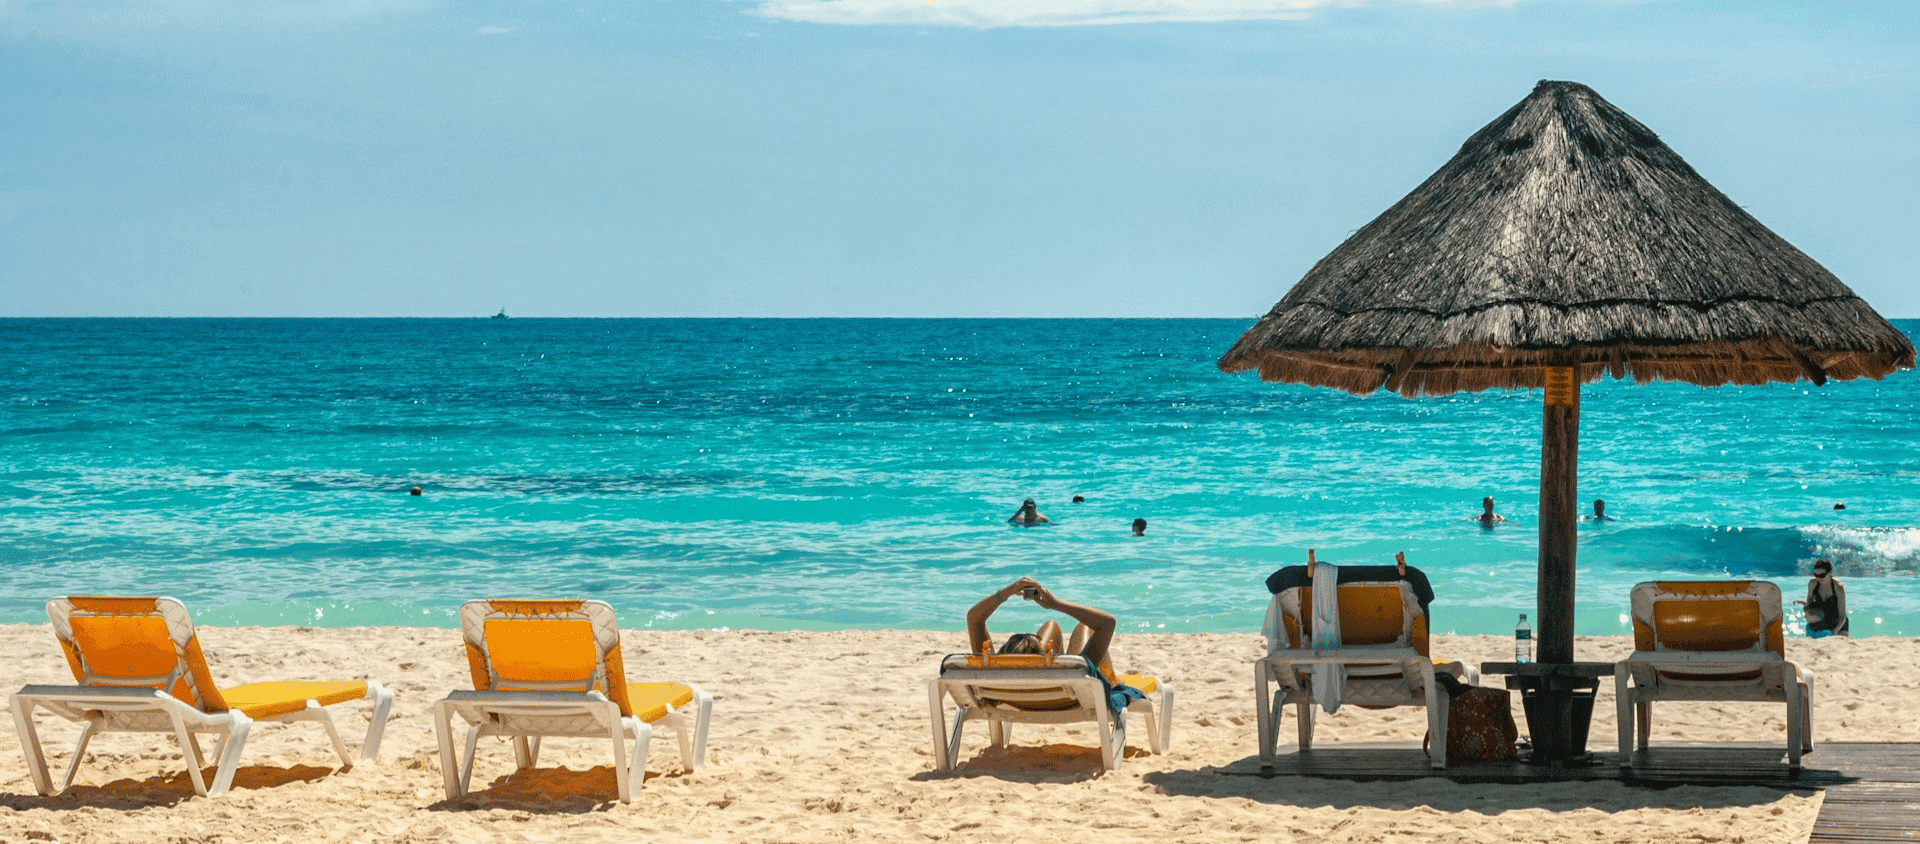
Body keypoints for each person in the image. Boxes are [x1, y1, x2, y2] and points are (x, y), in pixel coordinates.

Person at [1799, 559, 1850, 638]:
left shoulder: (1837, 587)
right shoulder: (1813, 584)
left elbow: (1842, 615)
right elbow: (1810, 607)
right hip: (1821, 621)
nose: (1818, 578)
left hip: (1838, 623)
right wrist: (1805, 603)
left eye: (1822, 576)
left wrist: (1835, 631)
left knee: (1840, 642)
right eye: (1816, 575)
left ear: (1830, 573)